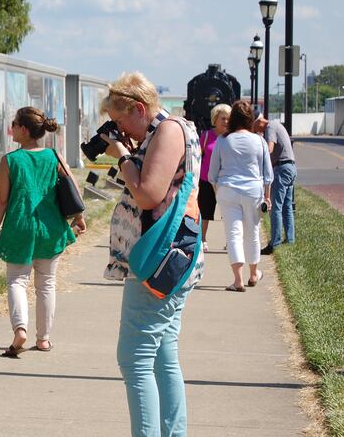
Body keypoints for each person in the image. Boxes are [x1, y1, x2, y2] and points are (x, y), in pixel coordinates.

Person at [100, 72, 204, 436]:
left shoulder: (168, 132)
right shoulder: (174, 130)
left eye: (120, 119)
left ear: (139, 109)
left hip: (158, 262)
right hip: (170, 258)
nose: (117, 128)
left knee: (134, 359)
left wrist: (123, 155)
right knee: (161, 355)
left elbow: (148, 195)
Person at [0, 106, 86, 357]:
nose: (11, 128)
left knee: (17, 281)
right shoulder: (54, 156)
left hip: (20, 226)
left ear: (23, 129)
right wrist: (79, 216)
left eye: (14, 124)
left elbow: (1, 200)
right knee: (46, 284)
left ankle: (20, 329)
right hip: (50, 228)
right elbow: (72, 187)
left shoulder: (10, 161)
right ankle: (43, 339)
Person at [208, 100, 273, 291]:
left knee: (233, 234)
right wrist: (267, 197)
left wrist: (218, 192)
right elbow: (267, 174)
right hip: (253, 191)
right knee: (252, 233)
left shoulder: (222, 140)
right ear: (250, 120)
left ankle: (238, 280)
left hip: (228, 190)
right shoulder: (259, 141)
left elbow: (212, 173)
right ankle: (254, 274)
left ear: (232, 119)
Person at [253, 110, 296, 255]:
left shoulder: (270, 127)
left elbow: (270, 148)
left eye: (254, 128)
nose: (255, 131)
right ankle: (290, 239)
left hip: (282, 168)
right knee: (287, 206)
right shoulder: (276, 125)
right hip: (290, 167)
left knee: (275, 207)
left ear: (259, 122)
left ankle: (274, 243)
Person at [198, 104, 231, 252]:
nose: (226, 122)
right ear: (215, 119)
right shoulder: (206, 136)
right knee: (205, 212)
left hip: (225, 181)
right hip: (206, 180)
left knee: (228, 214)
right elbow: (198, 156)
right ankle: (203, 239)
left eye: (228, 119)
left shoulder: (231, 137)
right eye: (223, 118)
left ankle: (231, 241)